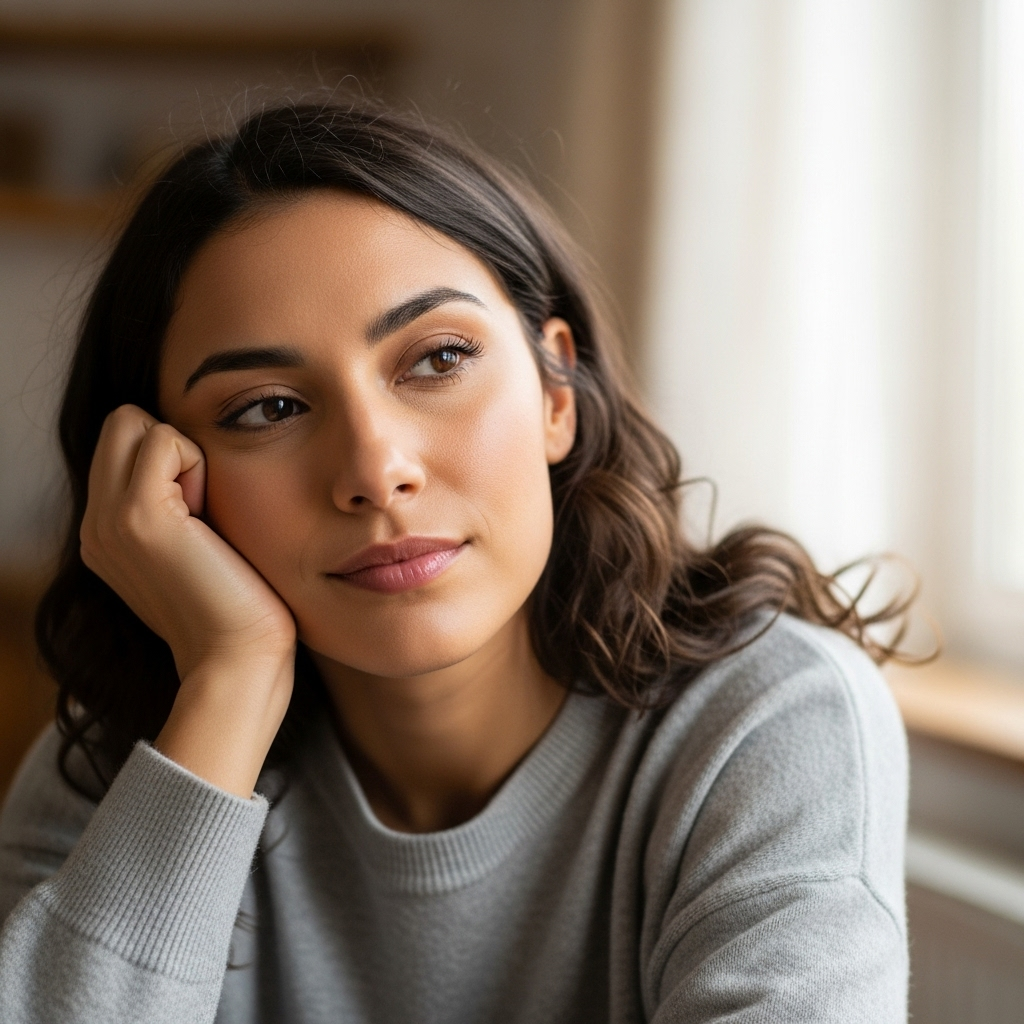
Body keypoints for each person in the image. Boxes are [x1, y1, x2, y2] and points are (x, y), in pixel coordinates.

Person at [0, 103, 911, 1023]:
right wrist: (232, 681)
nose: (375, 470)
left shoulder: (764, 721)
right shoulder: (136, 756)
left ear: (558, 392)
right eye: (268, 409)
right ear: (164, 482)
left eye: (437, 358)